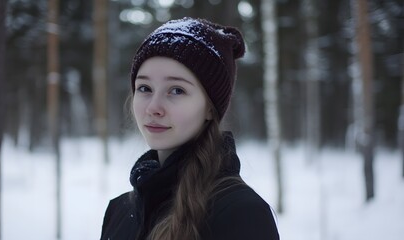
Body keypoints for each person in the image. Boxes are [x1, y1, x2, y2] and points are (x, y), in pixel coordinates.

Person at [100, 17, 280, 240]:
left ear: (210, 109)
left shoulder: (242, 213)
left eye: (176, 90)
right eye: (145, 88)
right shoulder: (119, 211)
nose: (153, 107)